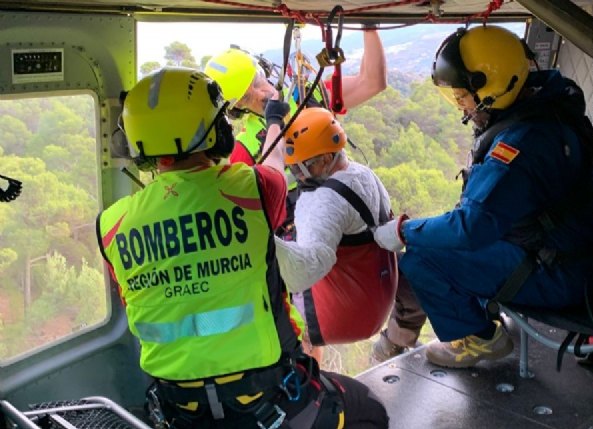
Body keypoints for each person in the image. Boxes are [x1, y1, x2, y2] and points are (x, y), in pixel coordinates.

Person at [97, 67, 389, 428]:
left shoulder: (110, 226)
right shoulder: (254, 187)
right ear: (218, 133)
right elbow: (275, 166)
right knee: (370, 410)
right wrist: (274, 121)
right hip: (269, 399)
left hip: (180, 411)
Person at [373, 25, 593, 369]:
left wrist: (403, 231)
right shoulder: (549, 109)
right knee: (438, 242)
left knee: (420, 259)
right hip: (572, 259)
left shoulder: (521, 143)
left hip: (560, 274)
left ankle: (480, 339)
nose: (462, 106)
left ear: (492, 90)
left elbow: (472, 226)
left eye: (463, 96)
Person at [262, 103, 398, 364]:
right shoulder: (361, 173)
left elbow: (303, 272)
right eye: (293, 169)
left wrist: (262, 237)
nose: (299, 176)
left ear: (325, 159)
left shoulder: (324, 202)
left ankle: (300, 372)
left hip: (341, 315)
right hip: (376, 296)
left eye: (302, 168)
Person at [204, 28, 387, 166]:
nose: (260, 95)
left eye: (256, 81)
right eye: (245, 98)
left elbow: (372, 82)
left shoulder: (310, 94)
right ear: (237, 108)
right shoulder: (246, 149)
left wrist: (368, 25)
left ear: (264, 70)